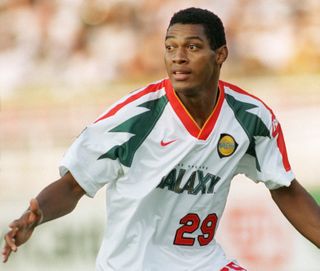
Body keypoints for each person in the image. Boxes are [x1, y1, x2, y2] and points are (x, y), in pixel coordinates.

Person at [2, 7, 320, 271]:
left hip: (201, 262)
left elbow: (285, 190)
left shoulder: (252, 119)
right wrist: (37, 214)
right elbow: (74, 185)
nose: (178, 57)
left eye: (192, 47)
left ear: (220, 54)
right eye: (170, 47)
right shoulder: (134, 117)